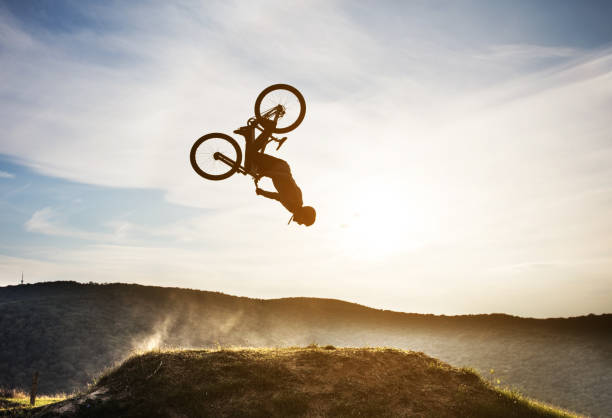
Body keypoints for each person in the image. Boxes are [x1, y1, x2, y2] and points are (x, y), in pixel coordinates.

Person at [234, 126, 316, 226]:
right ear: (304, 214)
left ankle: (247, 135)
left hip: (274, 169)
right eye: (302, 221)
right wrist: (266, 174)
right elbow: (285, 177)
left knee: (248, 167)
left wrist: (262, 192)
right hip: (278, 167)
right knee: (252, 154)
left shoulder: (291, 207)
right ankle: (268, 127)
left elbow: (277, 197)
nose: (299, 223)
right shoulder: (296, 200)